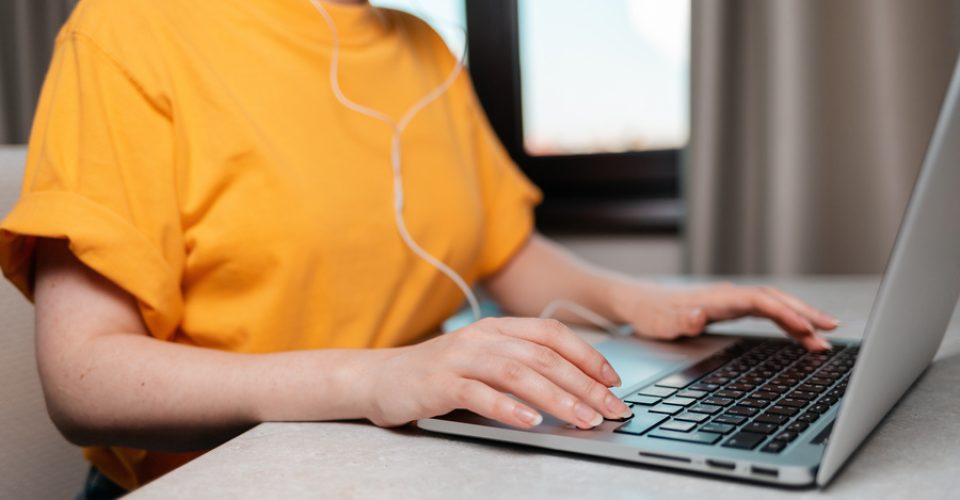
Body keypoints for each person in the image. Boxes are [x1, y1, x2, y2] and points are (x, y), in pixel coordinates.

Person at [0, 0, 838, 496]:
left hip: (393, 462)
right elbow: (84, 379)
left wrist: (651, 304)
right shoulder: (129, 32)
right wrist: (373, 377)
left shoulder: (422, 50)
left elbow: (503, 253)